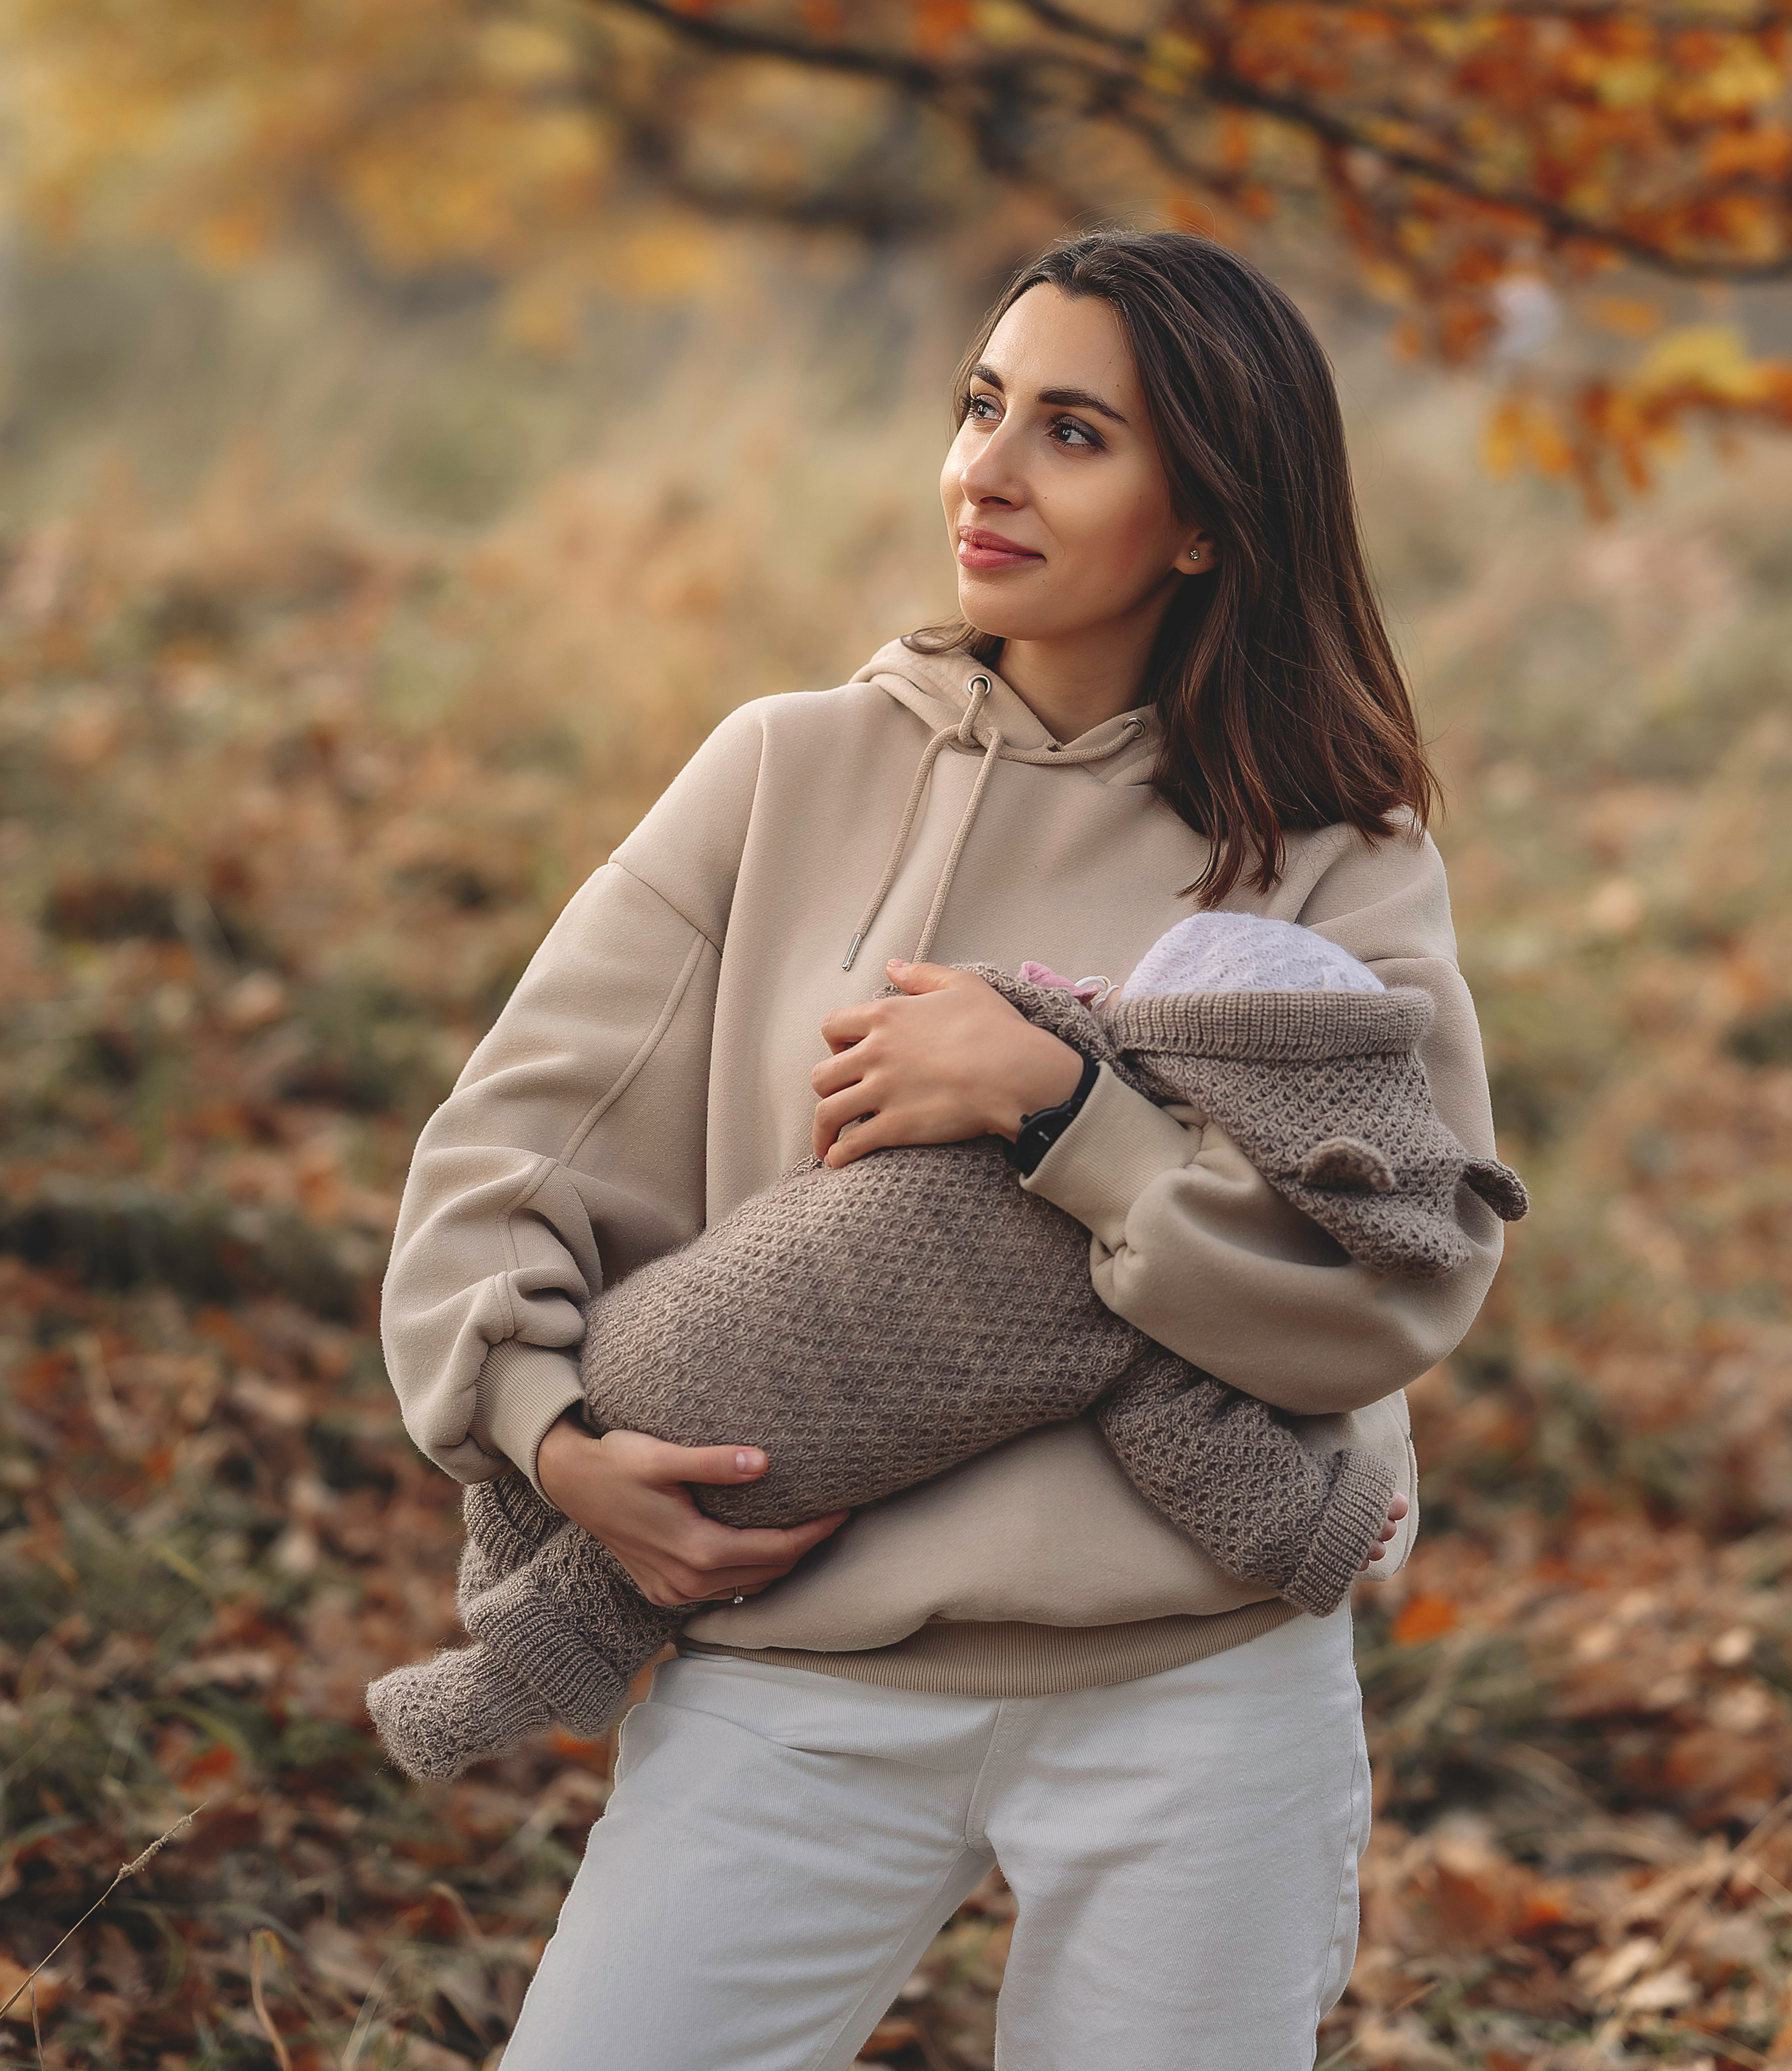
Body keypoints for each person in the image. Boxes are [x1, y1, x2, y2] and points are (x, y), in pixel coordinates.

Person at [380, 230, 1506, 2071]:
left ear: (1208, 513)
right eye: (982, 406)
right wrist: (551, 1438)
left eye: (1072, 431)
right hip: (794, 1682)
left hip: (1194, 1693)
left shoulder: (1337, 852)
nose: (984, 468)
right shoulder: (782, 768)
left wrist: (1059, 1113)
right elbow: (500, 1162)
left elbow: (1393, 1291)